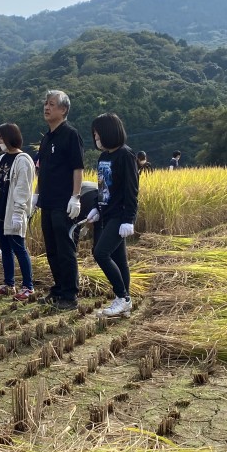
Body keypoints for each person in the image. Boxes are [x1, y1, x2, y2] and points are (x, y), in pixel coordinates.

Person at [84, 114, 138, 318]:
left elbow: (131, 189)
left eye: (97, 133)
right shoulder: (104, 156)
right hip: (106, 213)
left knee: (100, 253)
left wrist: (128, 219)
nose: (95, 137)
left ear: (108, 132)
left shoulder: (125, 155)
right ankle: (126, 301)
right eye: (94, 134)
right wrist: (97, 208)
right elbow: (102, 187)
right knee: (119, 258)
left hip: (120, 215)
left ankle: (122, 297)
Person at [36, 89, 85, 311]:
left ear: (64, 110)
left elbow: (78, 168)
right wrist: (36, 194)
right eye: (46, 103)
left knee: (65, 249)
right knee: (52, 248)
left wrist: (75, 197)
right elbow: (42, 170)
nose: (47, 107)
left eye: (52, 104)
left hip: (64, 202)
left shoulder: (70, 134)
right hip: (47, 201)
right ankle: (58, 288)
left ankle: (70, 295)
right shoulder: (46, 138)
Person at [0, 122, 36, 301]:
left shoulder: (23, 160)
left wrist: (18, 212)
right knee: (5, 249)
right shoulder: (1, 159)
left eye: (1, 137)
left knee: (19, 248)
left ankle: (28, 287)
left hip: (13, 212)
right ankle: (9, 284)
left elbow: (23, 188)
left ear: (10, 137)